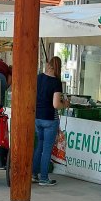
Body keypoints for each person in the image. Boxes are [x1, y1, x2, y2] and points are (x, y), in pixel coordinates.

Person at [32, 56, 69, 186]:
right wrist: (64, 104)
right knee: (47, 149)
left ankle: (33, 174)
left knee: (39, 146)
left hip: (37, 117)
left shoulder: (39, 77)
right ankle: (44, 178)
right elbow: (55, 105)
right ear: (58, 67)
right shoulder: (56, 82)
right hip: (49, 119)